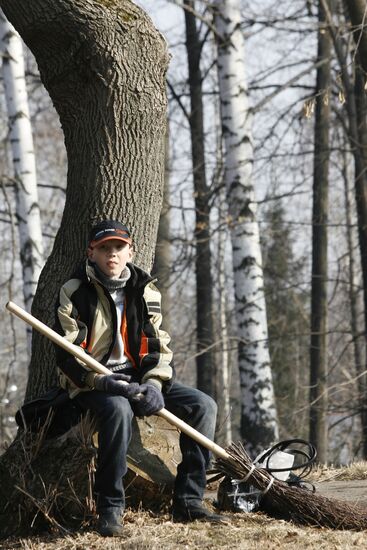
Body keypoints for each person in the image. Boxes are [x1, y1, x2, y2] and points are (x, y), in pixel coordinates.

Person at [54, 219, 223, 536]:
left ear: (131, 252)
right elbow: (68, 354)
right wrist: (100, 381)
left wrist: (154, 384)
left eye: (118, 248)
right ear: (92, 253)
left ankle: (188, 501)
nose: (112, 255)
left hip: (140, 378)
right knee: (117, 409)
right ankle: (110, 509)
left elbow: (158, 343)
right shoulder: (74, 292)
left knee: (204, 406)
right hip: (93, 382)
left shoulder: (145, 289)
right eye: (104, 249)